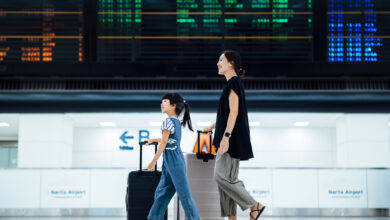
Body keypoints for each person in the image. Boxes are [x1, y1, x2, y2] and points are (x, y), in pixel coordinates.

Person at [203, 50, 265, 220]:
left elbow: (235, 112)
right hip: (230, 138)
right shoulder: (232, 83)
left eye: (221, 60)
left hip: (230, 140)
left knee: (221, 177)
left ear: (231, 63)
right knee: (227, 181)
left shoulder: (233, 83)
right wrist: (213, 126)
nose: (218, 63)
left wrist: (225, 137)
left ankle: (254, 205)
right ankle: (232, 218)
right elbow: (228, 112)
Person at [146, 93, 201, 220]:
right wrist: (153, 139)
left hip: (174, 161)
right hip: (171, 161)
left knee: (184, 195)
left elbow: (165, 142)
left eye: (164, 101)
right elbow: (169, 140)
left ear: (173, 105)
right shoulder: (175, 122)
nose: (161, 104)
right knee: (161, 194)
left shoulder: (168, 122)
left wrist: (153, 161)